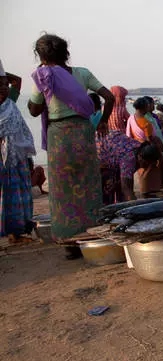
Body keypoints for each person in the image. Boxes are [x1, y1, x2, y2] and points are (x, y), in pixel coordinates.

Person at [27, 34, 114, 259]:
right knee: (88, 183)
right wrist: (103, 120)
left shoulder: (43, 76)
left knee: (62, 189)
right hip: (83, 133)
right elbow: (109, 97)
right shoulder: (82, 73)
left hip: (59, 137)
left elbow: (34, 111)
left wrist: (35, 96)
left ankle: (70, 243)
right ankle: (92, 235)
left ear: (41, 56)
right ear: (65, 52)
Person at [1, 65, 37, 244]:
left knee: (18, 195)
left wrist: (3, 75)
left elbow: (17, 81)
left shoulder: (10, 103)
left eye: (4, 85)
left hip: (16, 159)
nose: (3, 89)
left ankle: (16, 233)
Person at [127, 97, 163, 197]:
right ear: (144, 108)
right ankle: (150, 190)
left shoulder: (131, 118)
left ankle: (144, 189)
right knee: (152, 170)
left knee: (141, 170)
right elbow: (149, 139)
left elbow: (129, 135)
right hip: (149, 150)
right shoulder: (146, 123)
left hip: (137, 148)